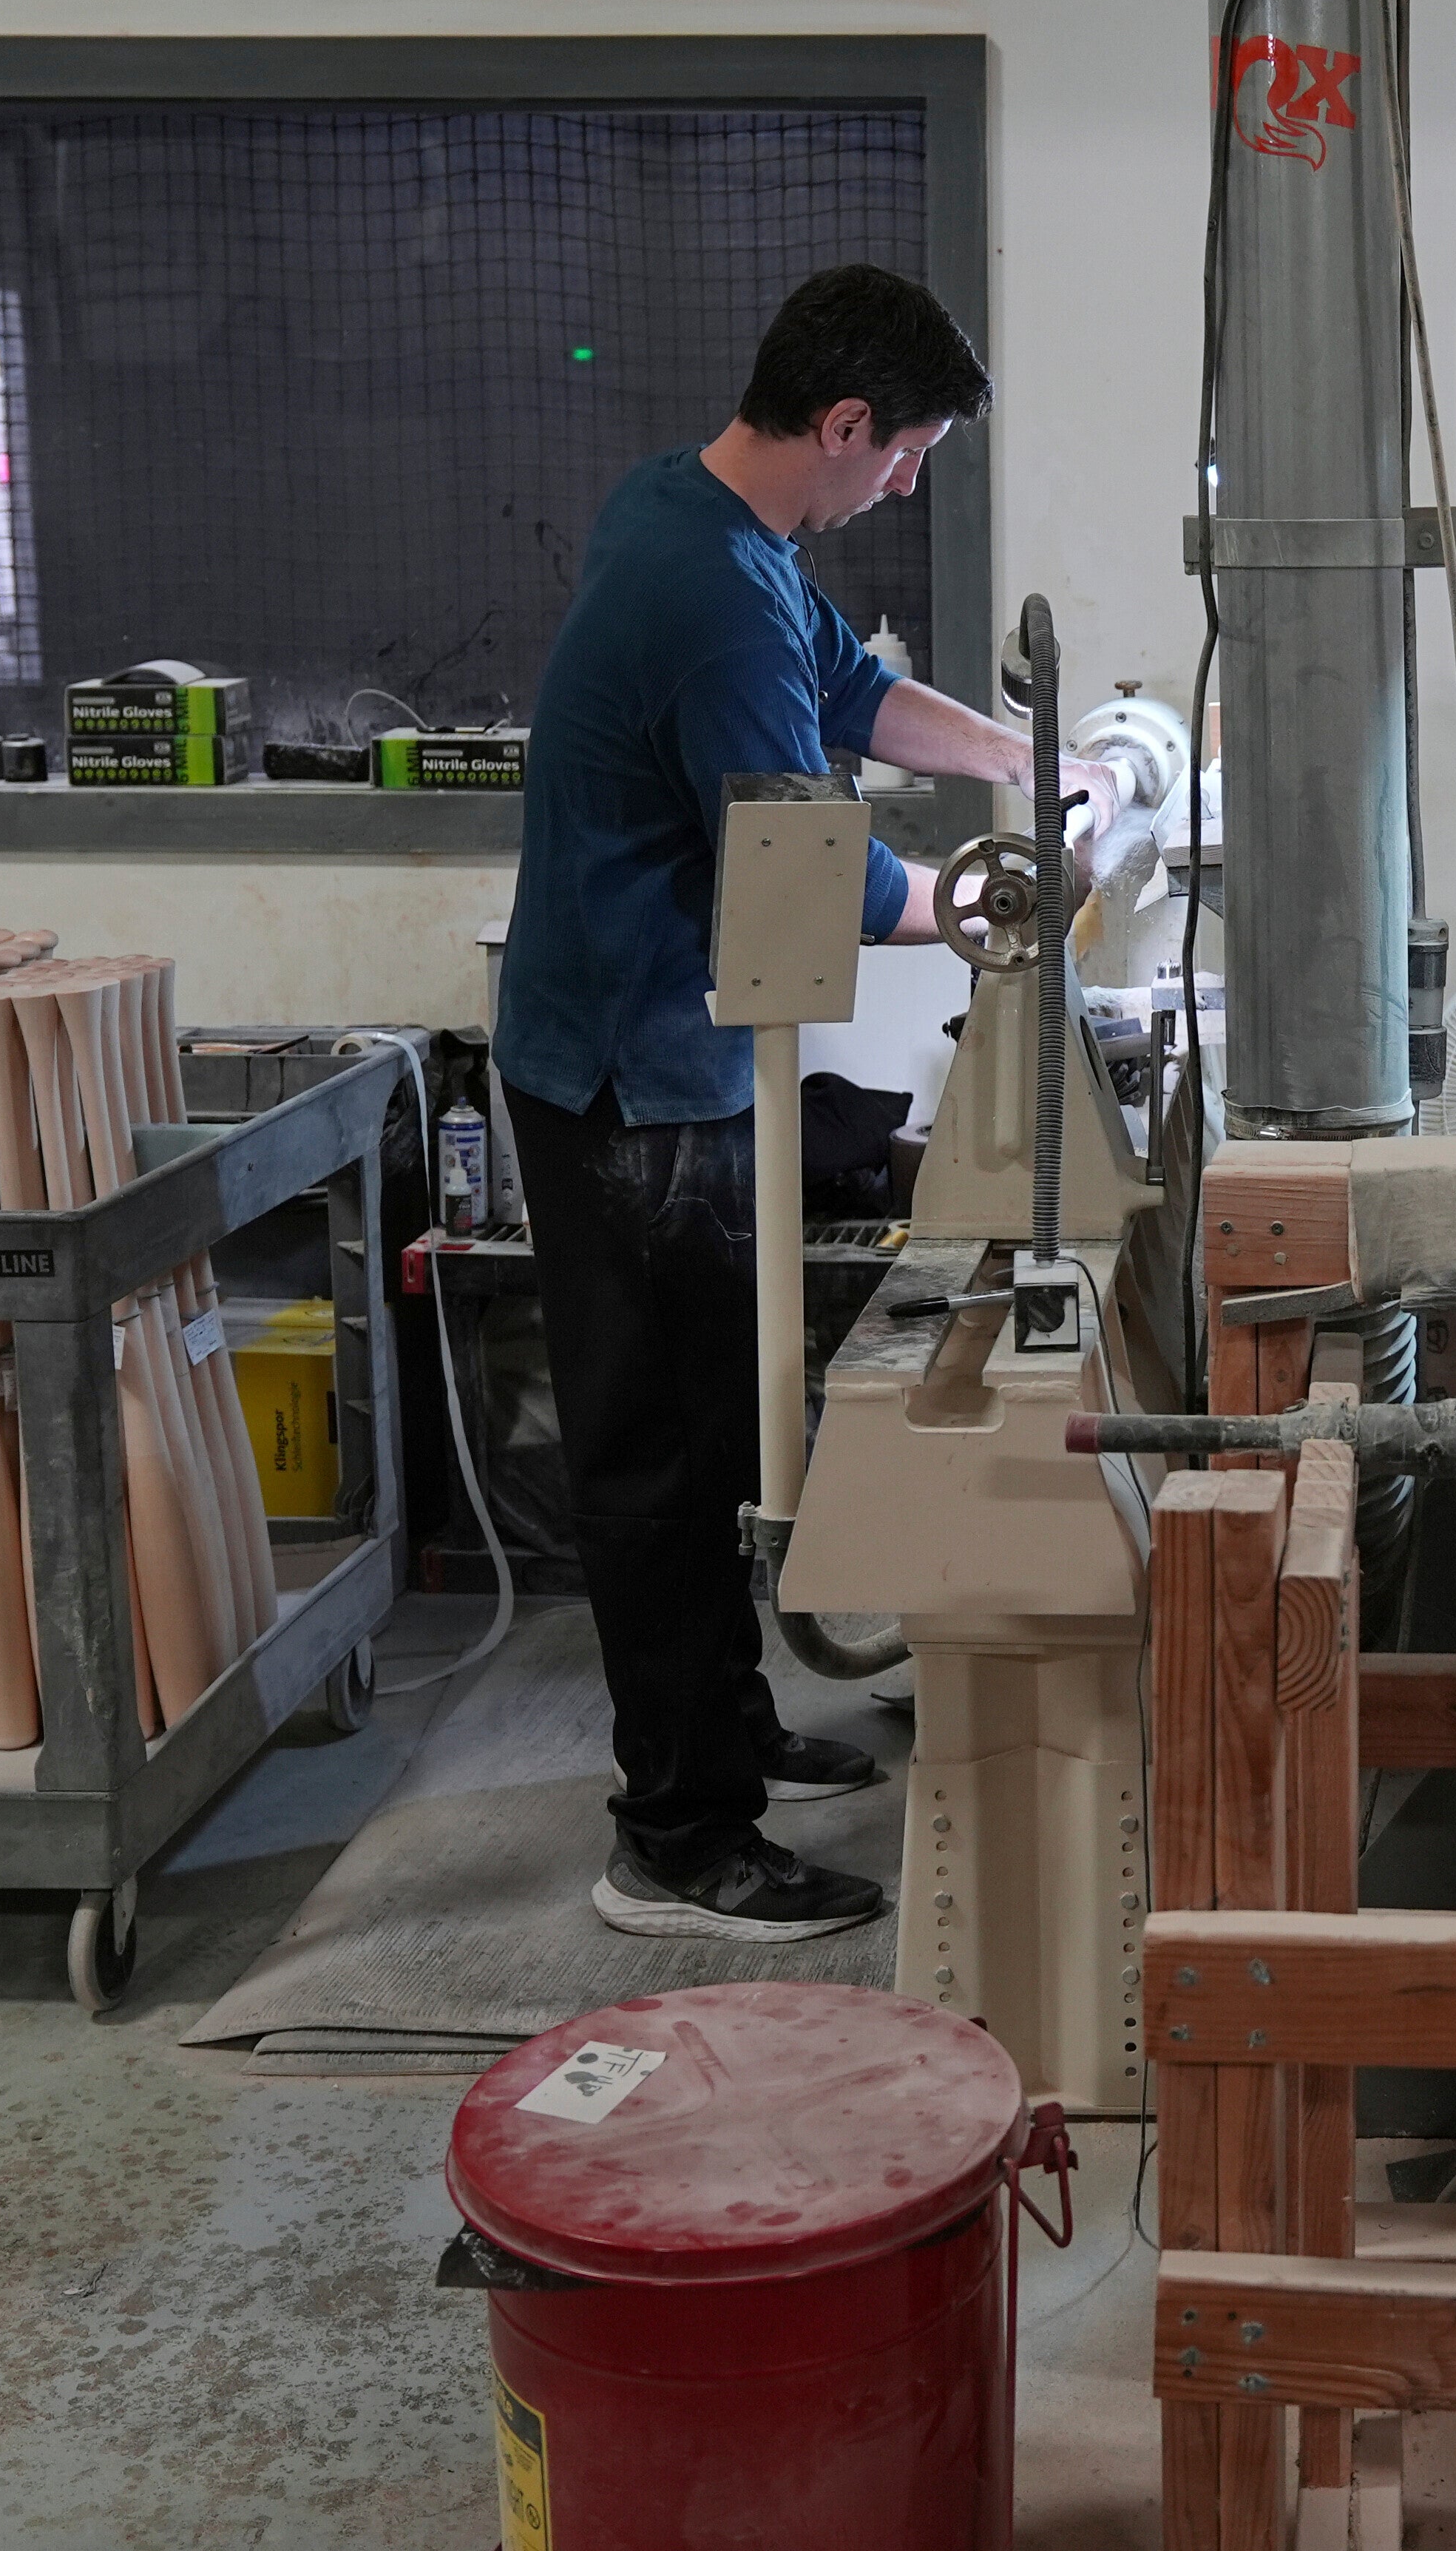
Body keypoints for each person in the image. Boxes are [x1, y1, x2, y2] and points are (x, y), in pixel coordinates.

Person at [497, 263, 1115, 1939]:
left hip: (668, 1055)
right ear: (844, 425)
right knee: (666, 1459)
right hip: (632, 1081)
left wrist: (1036, 765)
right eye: (905, 454)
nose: (905, 482)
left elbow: (850, 694)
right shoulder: (706, 593)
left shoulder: (710, 525)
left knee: (705, 1421)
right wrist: (1001, 899)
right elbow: (809, 870)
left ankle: (736, 1729)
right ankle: (679, 1840)